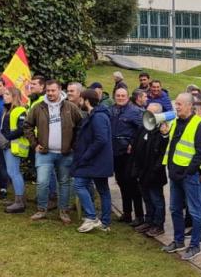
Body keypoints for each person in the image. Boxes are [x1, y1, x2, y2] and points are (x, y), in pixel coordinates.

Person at [159, 93, 201, 261]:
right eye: (176, 104)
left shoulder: (200, 125)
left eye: (180, 104)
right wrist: (165, 134)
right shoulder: (175, 122)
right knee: (174, 209)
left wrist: (188, 171)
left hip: (189, 176)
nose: (177, 107)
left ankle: (195, 245)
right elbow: (173, 144)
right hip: (174, 174)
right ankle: (178, 241)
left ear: (189, 106)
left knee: (194, 211)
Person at [24, 80, 82, 223]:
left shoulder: (70, 107)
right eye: (48, 90)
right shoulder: (38, 107)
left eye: (53, 90)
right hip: (44, 153)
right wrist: (34, 144)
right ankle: (41, 210)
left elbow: (81, 126)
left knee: (64, 182)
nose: (50, 93)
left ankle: (63, 211)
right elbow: (27, 125)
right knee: (42, 182)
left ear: (59, 90)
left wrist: (74, 144)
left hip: (65, 153)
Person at [73, 89, 114, 233]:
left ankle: (92, 217)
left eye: (80, 99)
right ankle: (105, 223)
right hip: (97, 161)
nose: (79, 102)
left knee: (78, 184)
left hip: (95, 161)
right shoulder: (95, 115)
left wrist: (86, 155)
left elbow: (101, 139)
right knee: (103, 190)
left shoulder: (98, 117)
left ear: (86, 100)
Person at [131, 102, 168, 237]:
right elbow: (136, 149)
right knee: (146, 198)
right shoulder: (143, 129)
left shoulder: (162, 132)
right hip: (142, 171)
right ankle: (149, 220)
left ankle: (158, 225)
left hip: (154, 173)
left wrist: (165, 135)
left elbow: (162, 154)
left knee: (156, 199)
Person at [110, 87, 143, 226]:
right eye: (118, 95)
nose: (120, 98)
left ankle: (140, 216)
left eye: (123, 95)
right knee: (121, 183)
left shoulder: (135, 112)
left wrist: (132, 143)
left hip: (129, 153)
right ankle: (127, 213)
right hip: (115, 152)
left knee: (132, 184)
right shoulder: (112, 110)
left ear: (128, 97)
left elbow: (142, 129)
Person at [0, 87, 29, 213]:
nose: (4, 96)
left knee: (14, 173)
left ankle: (19, 202)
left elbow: (22, 129)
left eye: (7, 94)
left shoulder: (20, 110)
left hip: (14, 145)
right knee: (13, 172)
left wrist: (5, 138)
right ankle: (19, 199)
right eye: (4, 94)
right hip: (8, 145)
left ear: (14, 96)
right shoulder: (7, 110)